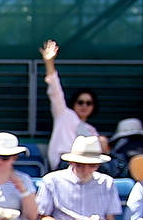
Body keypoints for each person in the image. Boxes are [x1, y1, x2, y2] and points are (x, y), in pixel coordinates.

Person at [35, 138, 139, 220]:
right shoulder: (52, 180)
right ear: (71, 162)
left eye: (92, 165)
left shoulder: (107, 182)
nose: (86, 169)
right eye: (80, 165)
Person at [39, 39, 101, 171]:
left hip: (87, 165)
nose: (84, 106)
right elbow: (55, 90)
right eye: (80, 102)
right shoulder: (64, 114)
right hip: (63, 164)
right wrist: (49, 62)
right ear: (74, 103)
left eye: (88, 103)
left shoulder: (92, 130)